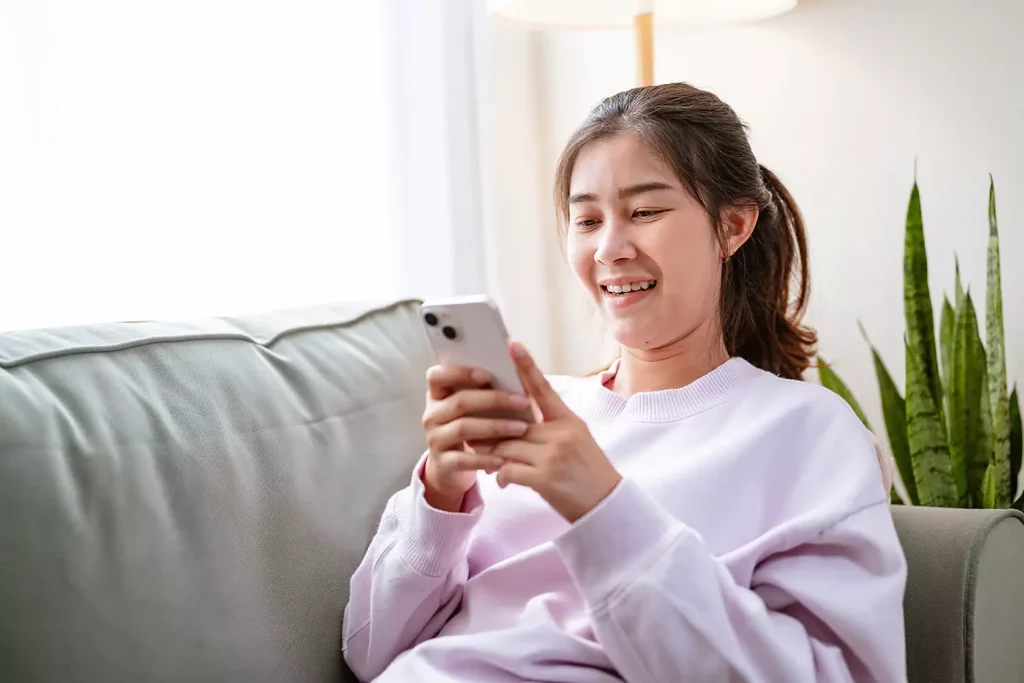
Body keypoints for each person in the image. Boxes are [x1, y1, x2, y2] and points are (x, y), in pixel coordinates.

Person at [341, 82, 907, 682]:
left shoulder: (808, 431)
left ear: (733, 226)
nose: (608, 249)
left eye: (645, 212)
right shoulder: (530, 416)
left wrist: (602, 507)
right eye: (586, 220)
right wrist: (440, 495)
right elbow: (369, 652)